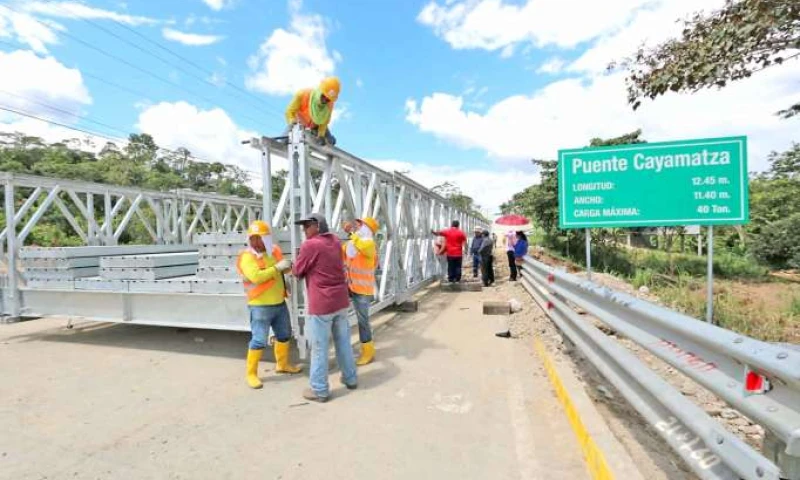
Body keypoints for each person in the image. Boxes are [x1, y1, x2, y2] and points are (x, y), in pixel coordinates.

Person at [292, 213, 357, 403]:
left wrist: (295, 260)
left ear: (317, 226)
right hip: (340, 300)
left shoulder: (311, 245)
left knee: (319, 347)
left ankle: (320, 390)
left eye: (306, 227)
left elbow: (298, 271)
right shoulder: (336, 241)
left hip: (322, 303)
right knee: (343, 341)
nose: (304, 231)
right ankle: (350, 378)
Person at [237, 220, 301, 389]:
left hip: (279, 303)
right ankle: (251, 374)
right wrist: (277, 268)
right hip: (259, 306)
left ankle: (282, 365)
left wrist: (288, 268)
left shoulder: (274, 250)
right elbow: (256, 277)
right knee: (259, 340)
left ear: (266, 239)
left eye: (259, 238)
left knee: (284, 334)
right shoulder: (246, 256)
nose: (256, 242)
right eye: (253, 238)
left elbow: (283, 267)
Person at [342, 216, 379, 366]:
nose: (357, 226)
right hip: (350, 287)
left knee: (363, 321)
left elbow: (360, 246)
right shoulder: (355, 243)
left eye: (360, 224)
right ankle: (359, 349)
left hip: (363, 290)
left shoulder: (369, 244)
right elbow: (345, 252)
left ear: (367, 228)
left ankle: (368, 352)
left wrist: (351, 233)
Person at [284, 77, 341, 146]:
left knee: (329, 141)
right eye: (323, 96)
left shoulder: (329, 104)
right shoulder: (303, 94)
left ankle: (330, 139)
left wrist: (321, 135)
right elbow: (289, 111)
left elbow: (324, 122)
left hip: (316, 125)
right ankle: (283, 141)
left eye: (328, 99)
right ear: (320, 91)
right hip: (298, 123)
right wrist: (292, 122)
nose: (325, 100)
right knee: (284, 140)